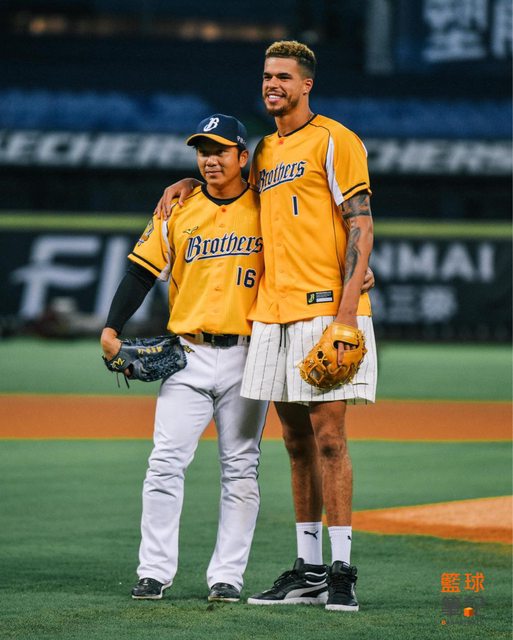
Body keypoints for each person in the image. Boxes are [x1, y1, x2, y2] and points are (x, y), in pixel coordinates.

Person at [158, 40, 377, 613]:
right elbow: (231, 188)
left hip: (325, 310)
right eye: (266, 76)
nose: (272, 84)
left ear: (306, 84)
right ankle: (308, 570)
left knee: (330, 440)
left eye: (283, 75)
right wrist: (187, 184)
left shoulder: (335, 139)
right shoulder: (263, 151)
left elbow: (360, 223)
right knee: (296, 444)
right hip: (272, 315)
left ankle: (342, 571)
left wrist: (347, 315)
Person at [101, 114, 268, 603]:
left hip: (247, 356)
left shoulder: (268, 206)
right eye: (202, 151)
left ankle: (227, 576)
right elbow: (140, 272)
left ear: (243, 156)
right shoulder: (177, 208)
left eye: (220, 150)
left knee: (241, 469)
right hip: (186, 354)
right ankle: (153, 571)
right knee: (164, 463)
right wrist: (112, 326)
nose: (210, 160)